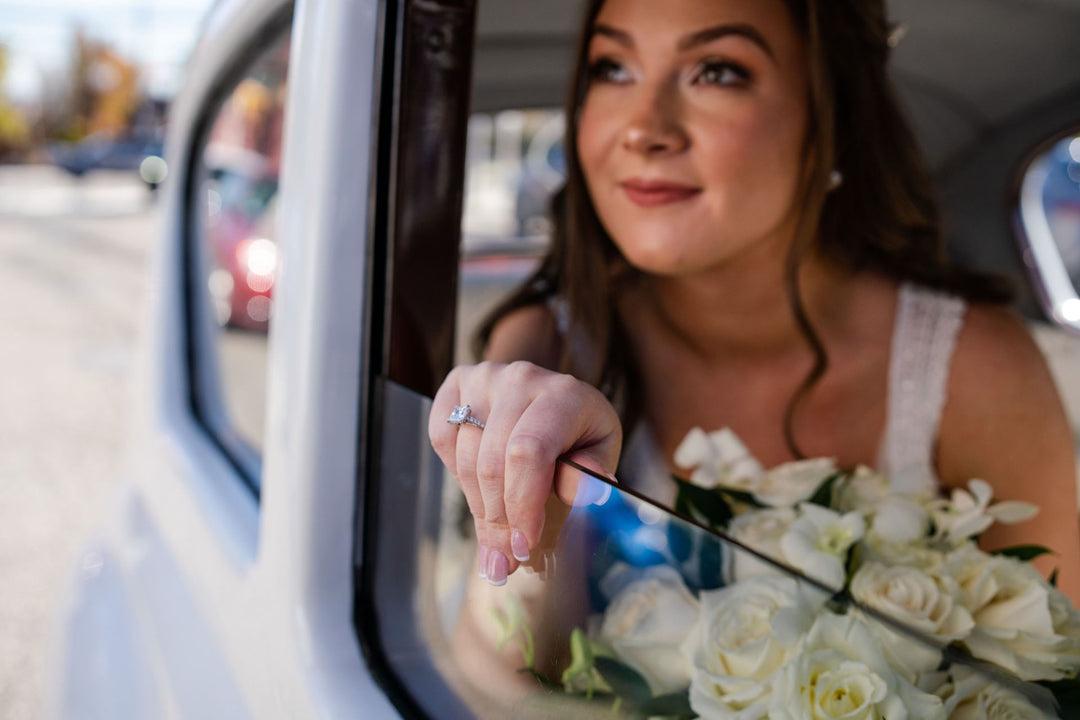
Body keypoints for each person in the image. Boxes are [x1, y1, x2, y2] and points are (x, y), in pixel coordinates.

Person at [429, 0, 1080, 605]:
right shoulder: (552, 345)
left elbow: (1055, 665)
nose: (642, 129)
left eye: (716, 71)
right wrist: (529, 525)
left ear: (833, 120)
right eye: (613, 67)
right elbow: (503, 677)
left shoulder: (971, 365)